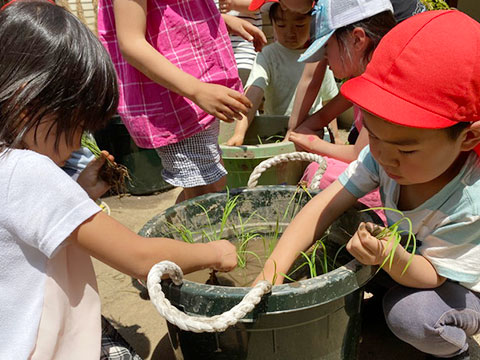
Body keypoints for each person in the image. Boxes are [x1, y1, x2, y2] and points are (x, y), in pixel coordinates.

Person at [0, 2, 237, 358]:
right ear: (27, 106)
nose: (78, 142)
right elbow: (141, 258)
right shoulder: (30, 171)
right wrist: (214, 253)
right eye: (75, 126)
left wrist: (78, 192)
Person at [256, 9, 480, 359]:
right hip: (409, 258)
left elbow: (432, 276)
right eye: (373, 136)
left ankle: (456, 351)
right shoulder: (383, 157)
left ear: (468, 138)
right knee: (334, 238)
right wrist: (268, 276)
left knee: (412, 317)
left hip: (456, 282)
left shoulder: (469, 199)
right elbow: (323, 206)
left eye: (406, 149)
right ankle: (382, 309)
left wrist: (388, 256)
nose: (387, 159)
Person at [97, 0, 267, 203]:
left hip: (197, 85)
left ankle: (182, 232)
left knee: (207, 185)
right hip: (176, 97)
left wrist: (221, 20)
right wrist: (197, 90)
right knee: (206, 192)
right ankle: (190, 234)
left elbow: (166, 13)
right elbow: (131, 42)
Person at [226, 1, 338, 146]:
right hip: (275, 132)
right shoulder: (268, 55)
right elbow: (254, 91)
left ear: (313, 22)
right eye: (281, 25)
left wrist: (335, 136)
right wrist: (239, 133)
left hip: (312, 133)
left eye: (299, 25)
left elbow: (328, 100)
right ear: (272, 23)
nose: (290, 33)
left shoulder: (319, 54)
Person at [217, 0, 263, 86]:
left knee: (242, 91)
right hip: (218, 58)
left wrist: (233, 4)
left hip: (244, 55)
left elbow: (258, 5)